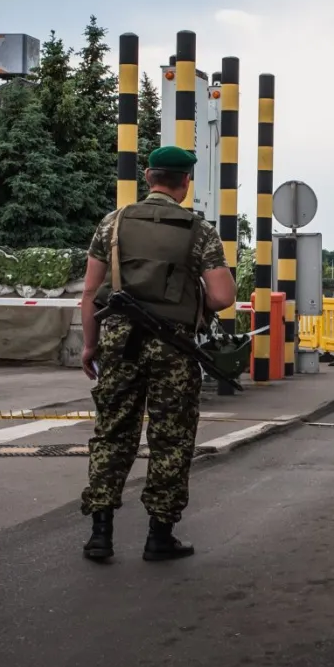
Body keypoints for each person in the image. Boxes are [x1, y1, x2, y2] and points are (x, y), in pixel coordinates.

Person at [78, 145, 236, 562]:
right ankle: (159, 536)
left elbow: (91, 293)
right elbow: (222, 296)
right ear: (184, 183)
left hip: (118, 343)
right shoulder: (197, 231)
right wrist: (192, 297)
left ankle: (100, 534)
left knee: (112, 434)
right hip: (173, 348)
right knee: (171, 439)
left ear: (148, 177)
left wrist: (91, 345)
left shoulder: (113, 224)